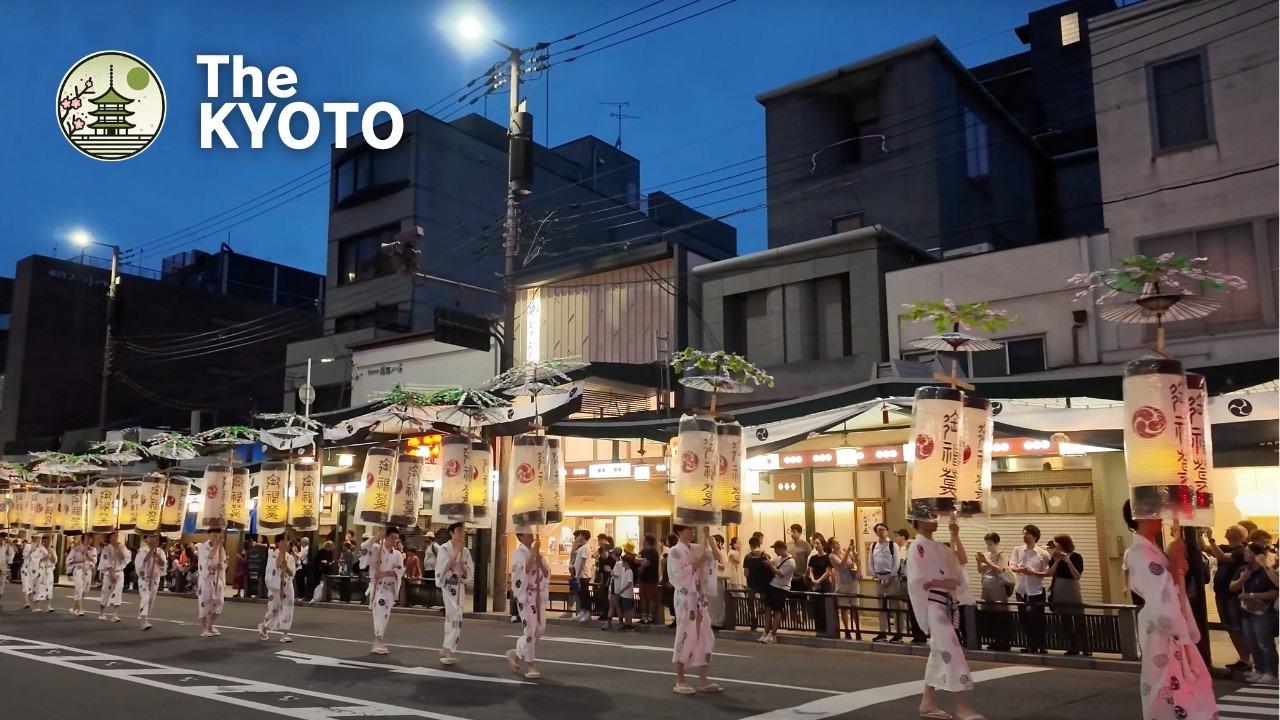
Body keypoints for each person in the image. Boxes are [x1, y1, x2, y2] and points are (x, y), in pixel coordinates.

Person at [1122, 501, 1218, 717]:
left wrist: (1174, 567)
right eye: (1156, 512)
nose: (1161, 517)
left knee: (1177, 684)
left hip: (1166, 625)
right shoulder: (1140, 552)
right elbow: (1160, 594)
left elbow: (1166, 586)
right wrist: (1173, 565)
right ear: (1142, 516)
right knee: (1165, 685)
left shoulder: (1148, 549)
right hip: (1161, 628)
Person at [906, 514, 983, 720]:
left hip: (943, 605)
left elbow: (961, 560)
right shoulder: (917, 546)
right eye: (927, 517)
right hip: (933, 605)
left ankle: (927, 702)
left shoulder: (939, 546)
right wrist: (944, 583)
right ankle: (962, 706)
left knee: (940, 653)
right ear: (916, 522)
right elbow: (918, 580)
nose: (933, 520)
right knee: (952, 651)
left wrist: (955, 535)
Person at [669, 525, 721, 695]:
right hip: (685, 596)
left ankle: (703, 680)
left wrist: (708, 536)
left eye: (693, 529)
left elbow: (718, 558)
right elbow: (678, 575)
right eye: (688, 529)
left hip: (699, 596)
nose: (692, 531)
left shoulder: (697, 548)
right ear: (679, 531)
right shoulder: (675, 551)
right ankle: (680, 679)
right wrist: (697, 562)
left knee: (705, 634)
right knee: (685, 633)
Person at [1201, 524, 1253, 673]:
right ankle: (1244, 659)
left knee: (1236, 627)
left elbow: (1222, 557)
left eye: (1231, 528)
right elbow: (1204, 548)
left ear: (1240, 534)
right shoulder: (1225, 547)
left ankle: (1246, 659)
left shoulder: (1241, 551)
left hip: (1233, 595)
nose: (1227, 529)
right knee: (1229, 627)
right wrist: (1199, 535)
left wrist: (1211, 538)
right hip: (1222, 593)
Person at [1231, 541, 1278, 685]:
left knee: (1264, 642)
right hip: (1246, 611)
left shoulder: (1267, 572)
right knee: (1252, 642)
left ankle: (1271, 672)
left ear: (1258, 555)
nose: (1246, 554)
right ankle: (1259, 670)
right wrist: (1242, 579)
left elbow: (1274, 592)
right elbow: (1232, 587)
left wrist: (1252, 595)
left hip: (1262, 611)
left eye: (1249, 552)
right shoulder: (1243, 570)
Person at [506, 532, 549, 679]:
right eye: (528, 533)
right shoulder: (518, 553)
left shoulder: (536, 552)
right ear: (520, 536)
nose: (532, 535)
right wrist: (533, 553)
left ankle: (516, 653)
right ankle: (531, 665)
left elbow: (546, 572)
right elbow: (525, 570)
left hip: (539, 594)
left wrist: (538, 557)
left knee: (540, 629)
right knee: (530, 629)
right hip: (527, 595)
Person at [435, 521, 473, 666]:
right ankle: (449, 649)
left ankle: (446, 647)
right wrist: (456, 554)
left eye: (463, 531)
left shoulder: (466, 551)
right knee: (453, 616)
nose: (462, 533)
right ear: (451, 532)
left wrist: (463, 568)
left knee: (457, 617)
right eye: (459, 530)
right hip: (448, 586)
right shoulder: (444, 548)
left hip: (459, 587)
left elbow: (468, 573)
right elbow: (442, 568)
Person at [1011, 524, 1051, 654]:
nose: (1024, 536)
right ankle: (1030, 644)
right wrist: (1020, 570)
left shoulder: (1043, 554)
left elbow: (1047, 573)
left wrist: (1032, 573)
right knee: (1024, 618)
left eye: (1027, 534)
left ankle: (1041, 644)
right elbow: (1012, 566)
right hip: (1021, 590)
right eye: (1023, 533)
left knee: (1038, 618)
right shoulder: (1017, 549)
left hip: (1036, 590)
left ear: (1035, 536)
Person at [1048, 534, 1089, 657]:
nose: (1054, 547)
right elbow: (1050, 573)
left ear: (1062, 544)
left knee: (1079, 618)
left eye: (1056, 544)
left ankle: (1085, 647)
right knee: (1065, 621)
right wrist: (1056, 561)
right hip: (1059, 589)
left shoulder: (1076, 557)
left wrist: (1068, 561)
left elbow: (1077, 576)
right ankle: (1072, 646)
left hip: (1072, 589)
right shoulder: (1055, 557)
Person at [367, 527, 405, 655]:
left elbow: (399, 570)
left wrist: (384, 573)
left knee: (384, 614)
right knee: (379, 612)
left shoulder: (397, 554)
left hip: (389, 587)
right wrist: (377, 537)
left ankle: (379, 639)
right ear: (386, 537)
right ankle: (378, 639)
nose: (395, 540)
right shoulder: (377, 549)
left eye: (396, 538)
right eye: (392, 537)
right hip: (378, 586)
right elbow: (365, 549)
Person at [975, 532, 1014, 652]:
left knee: (1000, 613)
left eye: (990, 544)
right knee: (988, 613)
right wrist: (979, 561)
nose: (988, 546)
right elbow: (980, 570)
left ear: (996, 543)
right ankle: (993, 640)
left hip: (997, 586)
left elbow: (999, 570)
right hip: (986, 587)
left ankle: (1004, 641)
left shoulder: (1002, 554)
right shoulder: (986, 554)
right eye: (986, 543)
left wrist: (987, 562)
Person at [259, 534, 297, 643]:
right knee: (273, 610)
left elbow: (291, 573)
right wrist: (278, 588)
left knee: (287, 608)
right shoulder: (272, 554)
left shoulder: (290, 557)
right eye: (283, 541)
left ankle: (285, 634)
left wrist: (286, 566)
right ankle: (264, 626)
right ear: (277, 543)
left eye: (287, 541)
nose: (286, 543)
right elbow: (273, 569)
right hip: (275, 587)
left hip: (287, 586)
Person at [869, 523, 902, 641]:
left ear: (887, 531)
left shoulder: (893, 545)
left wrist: (890, 577)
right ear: (876, 532)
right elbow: (871, 563)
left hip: (891, 578)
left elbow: (896, 563)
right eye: (879, 530)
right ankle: (882, 632)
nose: (881, 532)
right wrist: (875, 576)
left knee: (895, 606)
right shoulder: (873, 546)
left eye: (883, 530)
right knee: (881, 607)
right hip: (879, 578)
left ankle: (898, 633)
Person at [760, 540, 795, 644]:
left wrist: (770, 566)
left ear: (780, 548)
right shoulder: (779, 558)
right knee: (767, 609)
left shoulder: (791, 562)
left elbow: (780, 574)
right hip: (772, 585)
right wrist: (765, 559)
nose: (774, 551)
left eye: (775, 549)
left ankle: (773, 634)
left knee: (777, 611)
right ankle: (765, 632)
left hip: (781, 588)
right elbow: (771, 562)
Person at [135, 534, 166, 631]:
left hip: (155, 578)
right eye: (150, 537)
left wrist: (157, 554)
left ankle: (144, 616)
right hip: (144, 578)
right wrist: (152, 550)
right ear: (145, 539)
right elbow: (141, 563)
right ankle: (144, 620)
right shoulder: (142, 551)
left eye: (154, 537)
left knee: (151, 599)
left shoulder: (160, 551)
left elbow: (163, 564)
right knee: (146, 597)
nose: (152, 538)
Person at [97, 531, 130, 622]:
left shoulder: (122, 547)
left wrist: (117, 547)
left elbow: (124, 558)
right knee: (105, 592)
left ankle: (115, 614)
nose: (116, 537)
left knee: (118, 592)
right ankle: (102, 612)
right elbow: (105, 561)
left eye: (117, 536)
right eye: (114, 536)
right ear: (110, 537)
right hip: (109, 572)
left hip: (119, 571)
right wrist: (111, 574)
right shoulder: (107, 548)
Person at [570, 530, 593, 623]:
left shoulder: (586, 548)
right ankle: (583, 611)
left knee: (585, 594)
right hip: (580, 575)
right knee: (581, 594)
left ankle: (588, 612)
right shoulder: (582, 547)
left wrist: (578, 575)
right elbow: (573, 555)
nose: (578, 538)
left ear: (583, 536)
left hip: (584, 575)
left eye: (579, 536)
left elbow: (583, 562)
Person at [29, 535, 55, 613]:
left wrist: (51, 554)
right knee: (38, 586)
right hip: (41, 569)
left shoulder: (52, 549)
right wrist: (43, 558)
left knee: (49, 587)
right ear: (43, 540)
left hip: (49, 569)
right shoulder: (39, 549)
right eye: (46, 540)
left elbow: (54, 560)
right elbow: (33, 558)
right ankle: (36, 605)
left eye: (49, 540)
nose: (47, 542)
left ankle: (48, 605)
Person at [787, 524, 812, 592]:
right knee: (791, 599)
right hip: (790, 577)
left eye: (794, 532)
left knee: (802, 599)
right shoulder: (788, 545)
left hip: (801, 577)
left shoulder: (806, 545)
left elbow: (810, 561)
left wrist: (806, 574)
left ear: (800, 533)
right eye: (791, 531)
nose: (792, 533)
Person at [0, 533, 14, 608]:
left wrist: (10, 543)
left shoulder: (7, 546)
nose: (1, 540)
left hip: (3, 565)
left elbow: (15, 551)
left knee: (2, 583)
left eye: (3, 538)